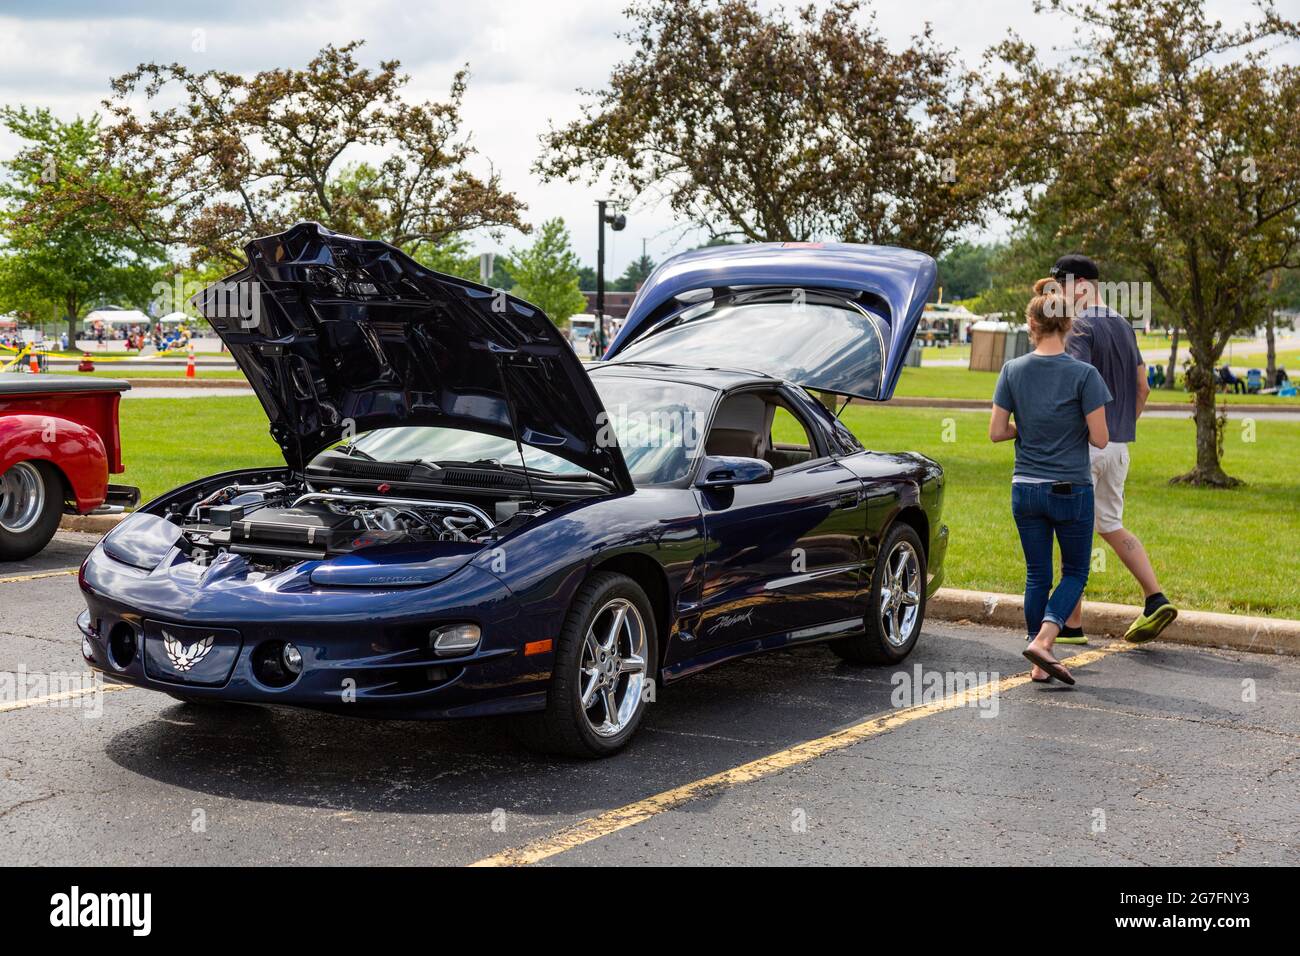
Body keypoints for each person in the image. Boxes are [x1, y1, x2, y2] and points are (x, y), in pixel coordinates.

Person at [990, 277, 1111, 684]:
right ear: (1068, 326)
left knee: (1036, 573)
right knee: (1075, 570)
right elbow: (1100, 437)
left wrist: (1026, 430)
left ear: (1032, 325)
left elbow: (996, 431)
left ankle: (1036, 658)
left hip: (1024, 487)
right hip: (1070, 488)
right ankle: (1045, 640)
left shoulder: (1012, 370)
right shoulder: (1085, 375)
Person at [1055, 254, 1178, 644]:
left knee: (1071, 531)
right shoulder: (1124, 324)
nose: (1059, 294)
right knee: (1109, 525)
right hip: (1119, 446)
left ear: (1081, 285)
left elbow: (1076, 384)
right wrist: (1121, 426)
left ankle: (1071, 626)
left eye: (1062, 285)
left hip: (1086, 446)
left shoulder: (1080, 326)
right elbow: (1143, 387)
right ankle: (1155, 597)